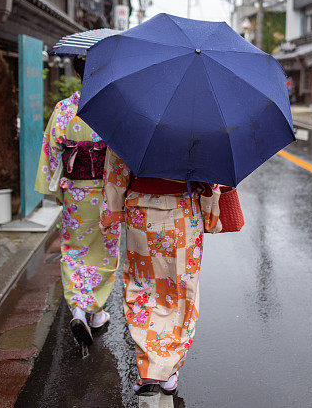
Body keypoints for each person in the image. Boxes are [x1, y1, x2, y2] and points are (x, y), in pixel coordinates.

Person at [99, 148, 222, 396]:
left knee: (142, 287)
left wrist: (110, 214)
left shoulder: (132, 117)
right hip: (184, 211)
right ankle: (167, 371)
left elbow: (116, 170)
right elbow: (211, 178)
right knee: (181, 292)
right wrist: (211, 214)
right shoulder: (200, 123)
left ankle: (149, 370)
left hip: (141, 211)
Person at [36, 56, 120, 347]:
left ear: (75, 71)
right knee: (104, 252)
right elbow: (122, 155)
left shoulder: (63, 109)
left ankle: (79, 310)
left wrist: (57, 190)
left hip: (75, 191)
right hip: (107, 191)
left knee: (74, 249)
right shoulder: (112, 107)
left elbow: (51, 151)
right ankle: (95, 311)